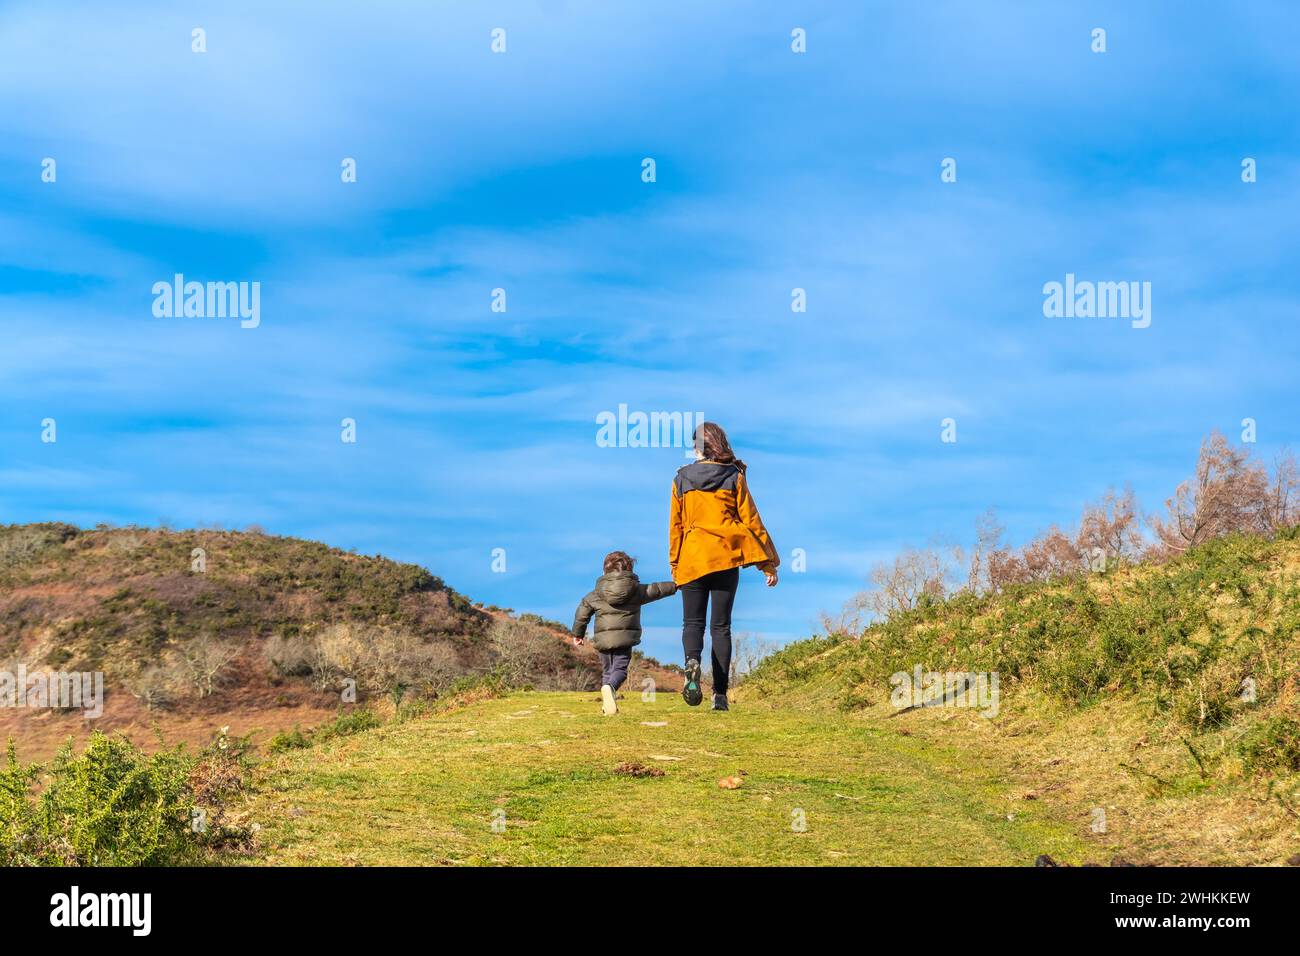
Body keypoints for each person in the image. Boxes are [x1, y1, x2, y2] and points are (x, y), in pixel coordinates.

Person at [669, 422, 778, 710]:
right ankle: (720, 695)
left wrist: (675, 565)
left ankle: (691, 664)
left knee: (692, 623)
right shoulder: (734, 476)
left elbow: (676, 527)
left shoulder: (681, 478)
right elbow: (751, 519)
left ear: (697, 448)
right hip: (725, 557)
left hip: (692, 557)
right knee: (721, 627)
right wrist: (768, 562)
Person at [571, 551, 676, 715]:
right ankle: (610, 689)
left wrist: (578, 634)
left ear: (604, 571)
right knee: (619, 671)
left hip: (603, 641)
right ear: (629, 570)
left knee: (607, 671)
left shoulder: (595, 594)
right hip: (624, 639)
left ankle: (607, 706)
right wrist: (676, 585)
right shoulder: (636, 590)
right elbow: (657, 589)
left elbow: (581, 614)